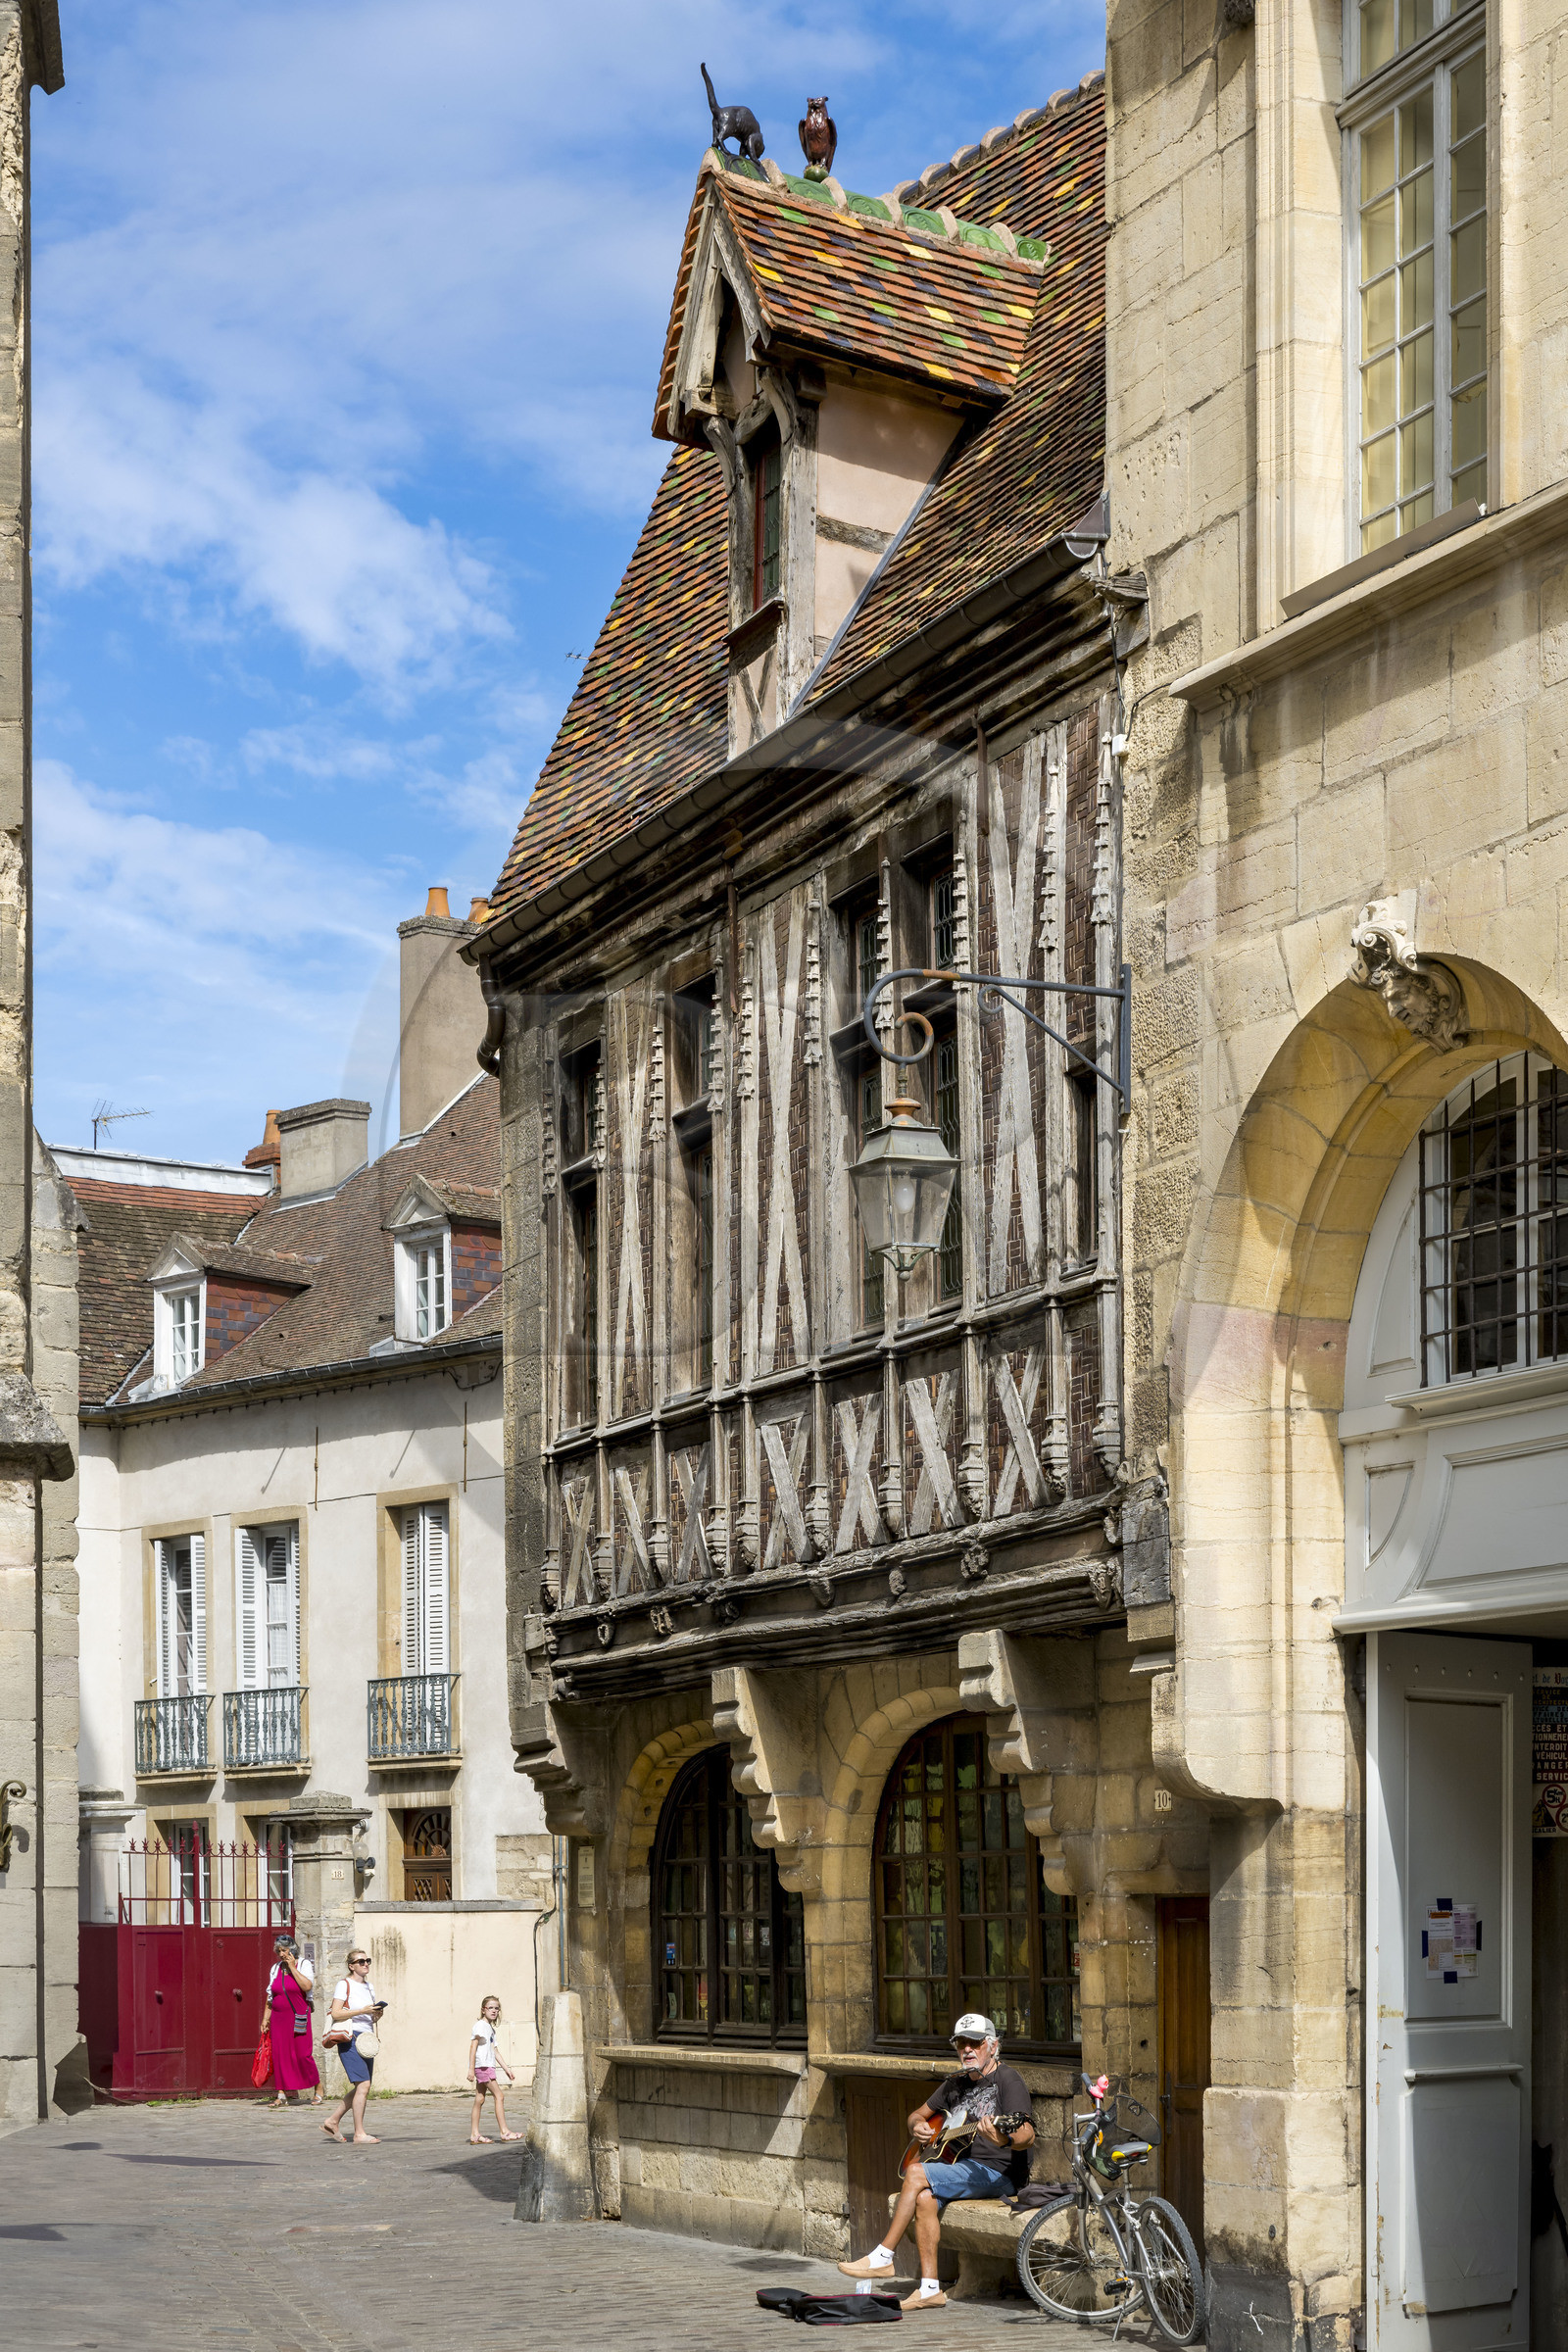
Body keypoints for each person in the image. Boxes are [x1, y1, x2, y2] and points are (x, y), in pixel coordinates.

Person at [836, 2012, 1036, 2313]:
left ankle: (883, 2256)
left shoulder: (1008, 2080)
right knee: (925, 2199)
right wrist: (918, 2126)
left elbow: (1027, 2135)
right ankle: (930, 2289)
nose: (967, 2050)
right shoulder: (955, 2083)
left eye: (975, 2043)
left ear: (993, 2046)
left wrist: (1003, 2139)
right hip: (961, 2169)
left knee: (916, 2172)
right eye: (961, 2044)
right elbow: (917, 2115)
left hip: (1000, 2173)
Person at [321, 1947, 387, 2145]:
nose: (365, 1964)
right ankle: (359, 2134)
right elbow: (336, 2013)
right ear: (351, 1966)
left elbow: (368, 2016)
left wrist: (375, 2014)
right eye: (361, 1961)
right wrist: (361, 2011)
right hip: (350, 2037)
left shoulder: (369, 1987)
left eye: (367, 1960)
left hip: (366, 2039)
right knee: (363, 2085)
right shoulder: (344, 1984)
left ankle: (332, 2121)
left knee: (363, 2086)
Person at [262, 1933, 320, 2107]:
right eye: (279, 1951)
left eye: (284, 1950)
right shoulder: (275, 1968)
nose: (281, 1954)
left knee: (303, 2054)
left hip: (298, 2017)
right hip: (279, 2018)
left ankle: (318, 2086)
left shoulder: (303, 1964)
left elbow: (307, 1986)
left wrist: (292, 1967)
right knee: (280, 2055)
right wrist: (265, 2019)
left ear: (292, 1950)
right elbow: (270, 1996)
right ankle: (281, 2094)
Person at [466, 1994, 521, 2144]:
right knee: (499, 2096)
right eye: (490, 2008)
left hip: (487, 2066)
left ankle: (475, 2135)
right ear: (483, 2010)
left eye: (496, 2008)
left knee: (480, 2099)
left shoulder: (490, 2029)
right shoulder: (480, 2026)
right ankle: (505, 2132)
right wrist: (471, 2069)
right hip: (483, 2067)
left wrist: (507, 2069)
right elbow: (473, 2047)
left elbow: (495, 2051)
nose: (494, 2011)